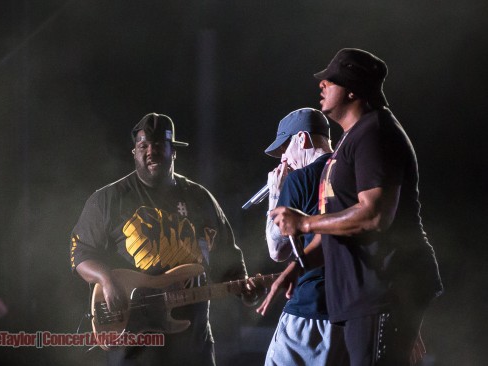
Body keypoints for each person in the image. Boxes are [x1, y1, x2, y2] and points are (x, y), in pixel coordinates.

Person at [270, 48, 443, 365]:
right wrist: (301, 264)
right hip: (363, 293)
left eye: (330, 80)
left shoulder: (374, 133)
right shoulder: (351, 141)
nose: (321, 85)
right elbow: (337, 225)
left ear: (353, 88)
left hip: (384, 287)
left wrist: (305, 223)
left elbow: (373, 215)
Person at [70, 113, 256, 366]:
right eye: (143, 146)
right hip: (133, 345)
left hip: (193, 344)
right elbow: (81, 254)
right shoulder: (108, 199)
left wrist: (245, 290)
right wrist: (106, 278)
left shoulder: (199, 198)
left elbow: (229, 256)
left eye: (159, 145)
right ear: (133, 152)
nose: (151, 152)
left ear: (173, 151)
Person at [255, 108, 349, 365]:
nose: (284, 160)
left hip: (309, 309)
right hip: (350, 311)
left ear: (302, 139)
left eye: (285, 149)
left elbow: (277, 250)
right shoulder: (349, 173)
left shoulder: (299, 179)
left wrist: (276, 194)